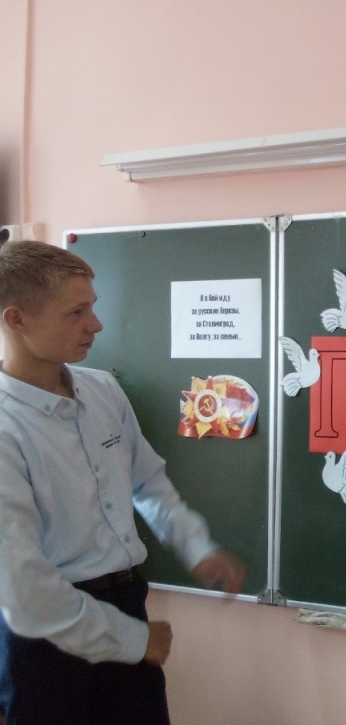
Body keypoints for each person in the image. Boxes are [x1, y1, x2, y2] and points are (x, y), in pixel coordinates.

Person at [0, 240, 247, 724]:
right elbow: (26, 592)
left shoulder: (102, 390)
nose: (96, 325)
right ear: (17, 320)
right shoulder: (7, 429)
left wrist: (194, 544)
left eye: (92, 307)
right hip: (47, 638)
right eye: (76, 313)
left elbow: (148, 483)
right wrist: (133, 640)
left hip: (127, 601)